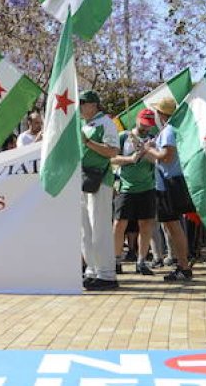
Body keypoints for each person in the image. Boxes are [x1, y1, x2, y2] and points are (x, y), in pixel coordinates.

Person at [142, 95, 195, 282]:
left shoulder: (169, 130)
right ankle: (182, 264)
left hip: (169, 184)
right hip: (166, 183)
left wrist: (149, 150)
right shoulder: (169, 130)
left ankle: (183, 266)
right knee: (172, 226)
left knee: (174, 226)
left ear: (160, 113)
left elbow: (167, 156)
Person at [78, 90, 120, 291]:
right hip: (82, 179)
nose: (80, 107)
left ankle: (107, 274)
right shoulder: (81, 124)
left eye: (83, 103)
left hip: (100, 179)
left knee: (100, 226)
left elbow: (112, 151)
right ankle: (92, 271)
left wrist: (87, 142)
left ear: (94, 104)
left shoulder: (106, 123)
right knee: (85, 229)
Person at [112, 108, 159, 276]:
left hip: (147, 188)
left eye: (149, 125)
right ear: (137, 120)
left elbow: (156, 161)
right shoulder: (123, 137)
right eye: (144, 124)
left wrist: (145, 150)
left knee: (145, 225)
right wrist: (130, 158)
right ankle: (116, 260)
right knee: (119, 225)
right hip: (125, 187)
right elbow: (112, 158)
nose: (146, 128)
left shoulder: (153, 139)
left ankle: (141, 261)